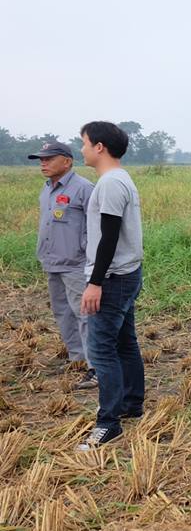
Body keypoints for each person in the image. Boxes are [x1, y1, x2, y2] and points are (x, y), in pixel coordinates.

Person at [77, 121, 145, 451]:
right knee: (124, 342)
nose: (82, 150)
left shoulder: (110, 184)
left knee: (102, 350)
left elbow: (109, 237)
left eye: (84, 143)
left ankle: (108, 424)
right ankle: (132, 405)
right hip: (126, 274)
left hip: (114, 278)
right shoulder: (119, 179)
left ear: (99, 147)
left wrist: (95, 283)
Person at [28, 140, 97, 388]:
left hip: (76, 263)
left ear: (66, 161)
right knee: (62, 311)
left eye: (49, 158)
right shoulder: (47, 189)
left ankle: (96, 366)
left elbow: (95, 228)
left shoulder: (84, 189)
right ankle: (77, 357)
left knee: (85, 314)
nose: (43, 163)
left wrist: (89, 258)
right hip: (52, 261)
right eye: (41, 160)